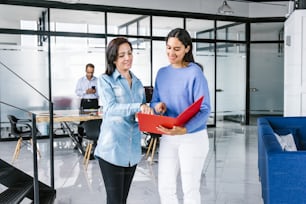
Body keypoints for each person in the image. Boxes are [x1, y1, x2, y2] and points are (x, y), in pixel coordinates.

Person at [150, 28, 211, 204]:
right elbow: (155, 101)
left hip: (192, 136)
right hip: (169, 135)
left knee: (190, 189)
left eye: (176, 49)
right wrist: (158, 106)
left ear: (187, 49)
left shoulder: (195, 73)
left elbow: (205, 109)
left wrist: (184, 129)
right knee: (165, 188)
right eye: (168, 48)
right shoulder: (162, 73)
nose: (171, 53)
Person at [94, 37, 153, 204]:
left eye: (130, 53)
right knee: (114, 201)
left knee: (122, 200)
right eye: (122, 55)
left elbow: (137, 115)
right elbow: (110, 108)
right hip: (112, 149)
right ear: (113, 58)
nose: (127, 58)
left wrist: (149, 113)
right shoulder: (105, 80)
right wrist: (138, 107)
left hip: (132, 151)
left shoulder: (138, 83)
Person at [75, 63, 99, 145]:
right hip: (84, 102)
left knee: (95, 121)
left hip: (94, 102)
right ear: (86, 71)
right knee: (82, 122)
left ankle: (95, 142)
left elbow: (100, 94)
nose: (90, 74)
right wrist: (86, 91)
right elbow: (77, 92)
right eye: (89, 72)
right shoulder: (81, 80)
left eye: (92, 72)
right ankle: (79, 142)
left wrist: (95, 92)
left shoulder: (97, 80)